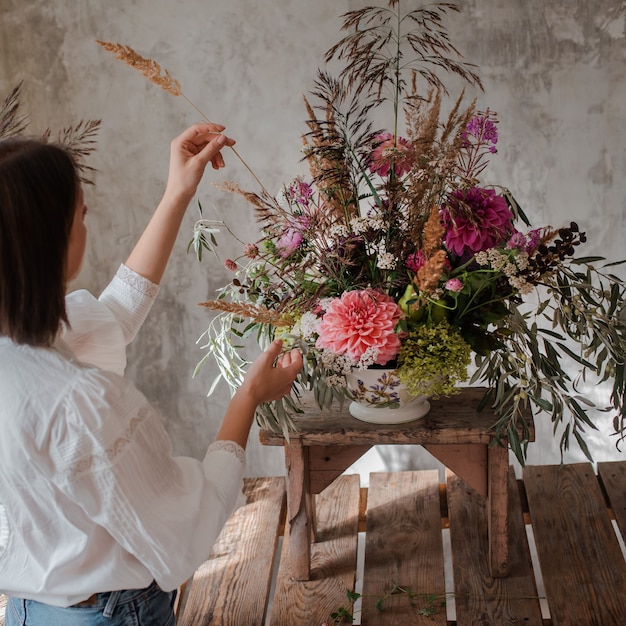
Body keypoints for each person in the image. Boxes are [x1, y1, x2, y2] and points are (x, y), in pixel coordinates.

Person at [0, 123, 303, 626]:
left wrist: (178, 193)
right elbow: (190, 527)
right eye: (81, 215)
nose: (86, 226)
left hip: (28, 612)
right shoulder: (78, 402)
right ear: (51, 240)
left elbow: (114, 314)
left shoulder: (26, 344)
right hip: (109, 614)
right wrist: (249, 396)